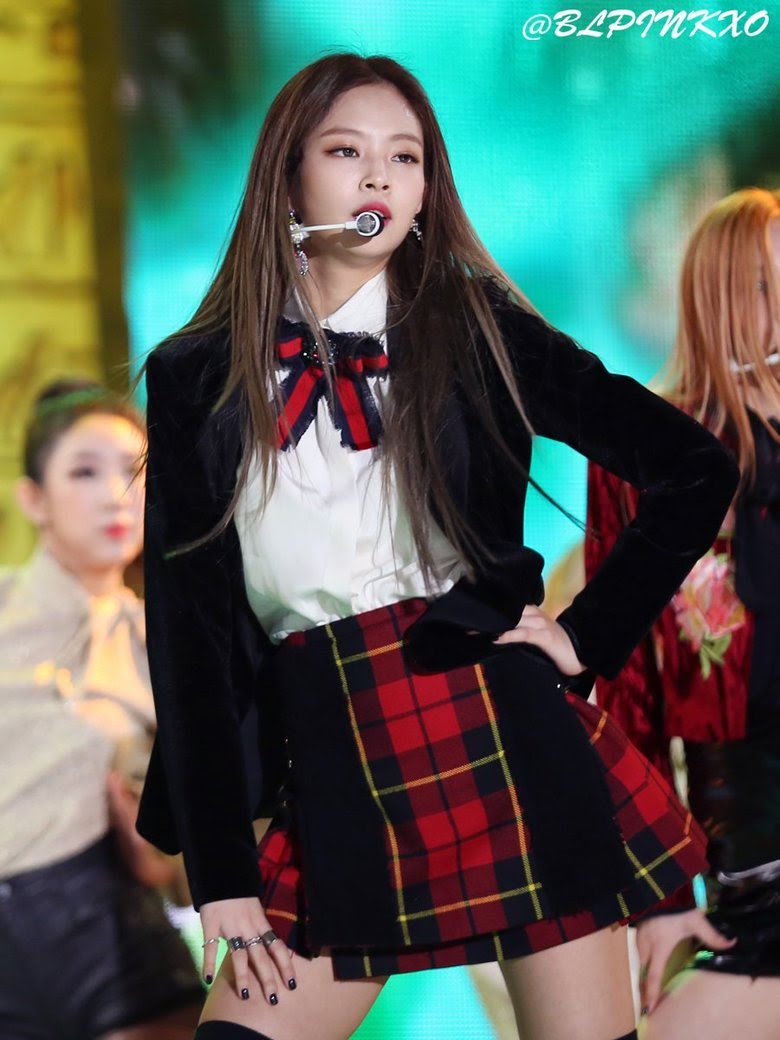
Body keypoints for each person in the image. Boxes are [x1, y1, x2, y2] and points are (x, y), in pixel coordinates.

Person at [137, 54, 739, 1040]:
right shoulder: (196, 373)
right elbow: (188, 640)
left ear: (425, 190)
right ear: (288, 176)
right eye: (346, 151)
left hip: (500, 729)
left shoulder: (476, 329)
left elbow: (693, 468)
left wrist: (585, 635)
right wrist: (221, 873)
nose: (378, 175)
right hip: (331, 759)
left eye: (405, 157)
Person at [586, 187, 780, 1039]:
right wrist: (661, 894)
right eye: (768, 279)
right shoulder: (655, 449)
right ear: (727, 289)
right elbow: (624, 690)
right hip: (753, 837)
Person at [0, 380, 204, 1040]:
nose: (118, 494)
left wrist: (166, 866)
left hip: (112, 934)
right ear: (33, 498)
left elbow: (206, 834)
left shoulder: (165, 646)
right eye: (85, 472)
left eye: (134, 472)